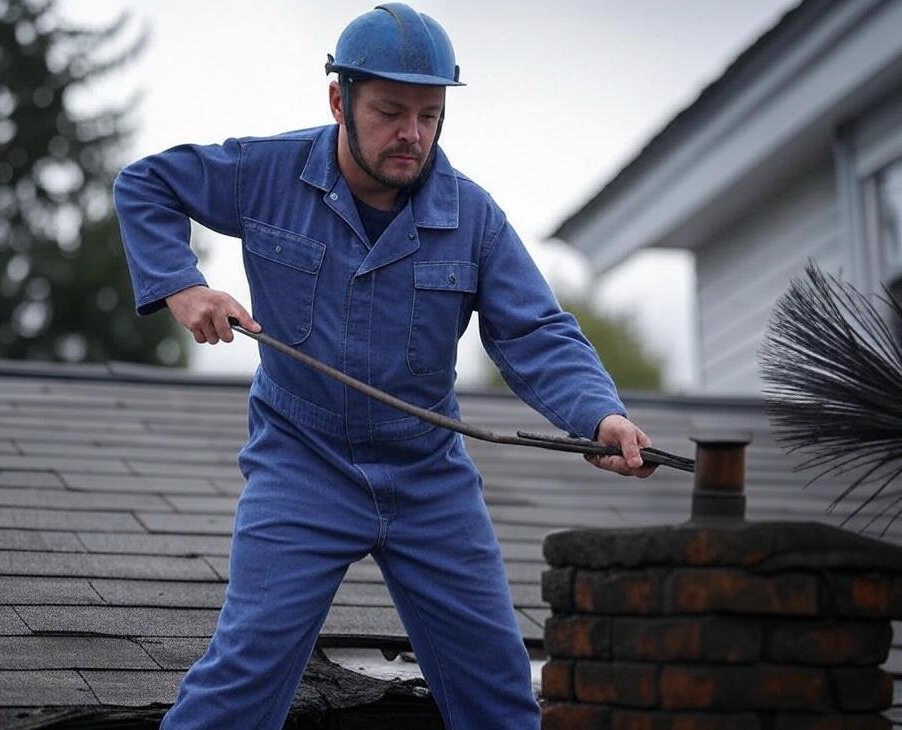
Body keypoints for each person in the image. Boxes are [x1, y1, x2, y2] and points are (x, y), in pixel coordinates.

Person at [113, 4, 656, 727]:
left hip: (429, 477)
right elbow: (145, 184)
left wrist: (601, 414)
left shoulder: (474, 219)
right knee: (244, 674)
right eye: (390, 112)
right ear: (339, 100)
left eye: (430, 115)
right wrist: (181, 287)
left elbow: (536, 332)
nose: (412, 134)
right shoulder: (264, 173)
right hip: (301, 463)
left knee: (500, 691)